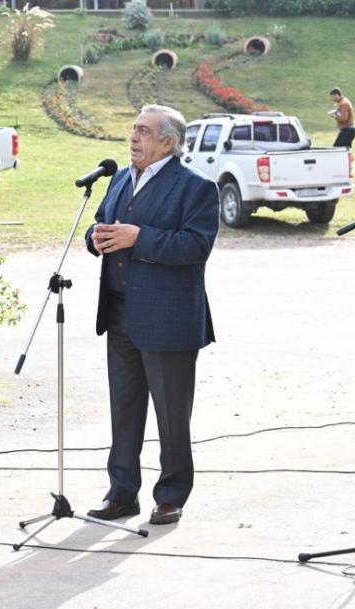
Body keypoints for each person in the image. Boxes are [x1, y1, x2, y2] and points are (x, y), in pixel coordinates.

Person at [84, 104, 220, 526]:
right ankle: (122, 492)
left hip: (168, 319)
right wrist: (97, 237)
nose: (133, 138)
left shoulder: (196, 188)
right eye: (133, 129)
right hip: (120, 313)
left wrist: (138, 238)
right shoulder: (121, 178)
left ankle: (172, 494)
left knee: (170, 414)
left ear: (168, 143)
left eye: (144, 131)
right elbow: (102, 225)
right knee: (124, 410)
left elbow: (195, 247)